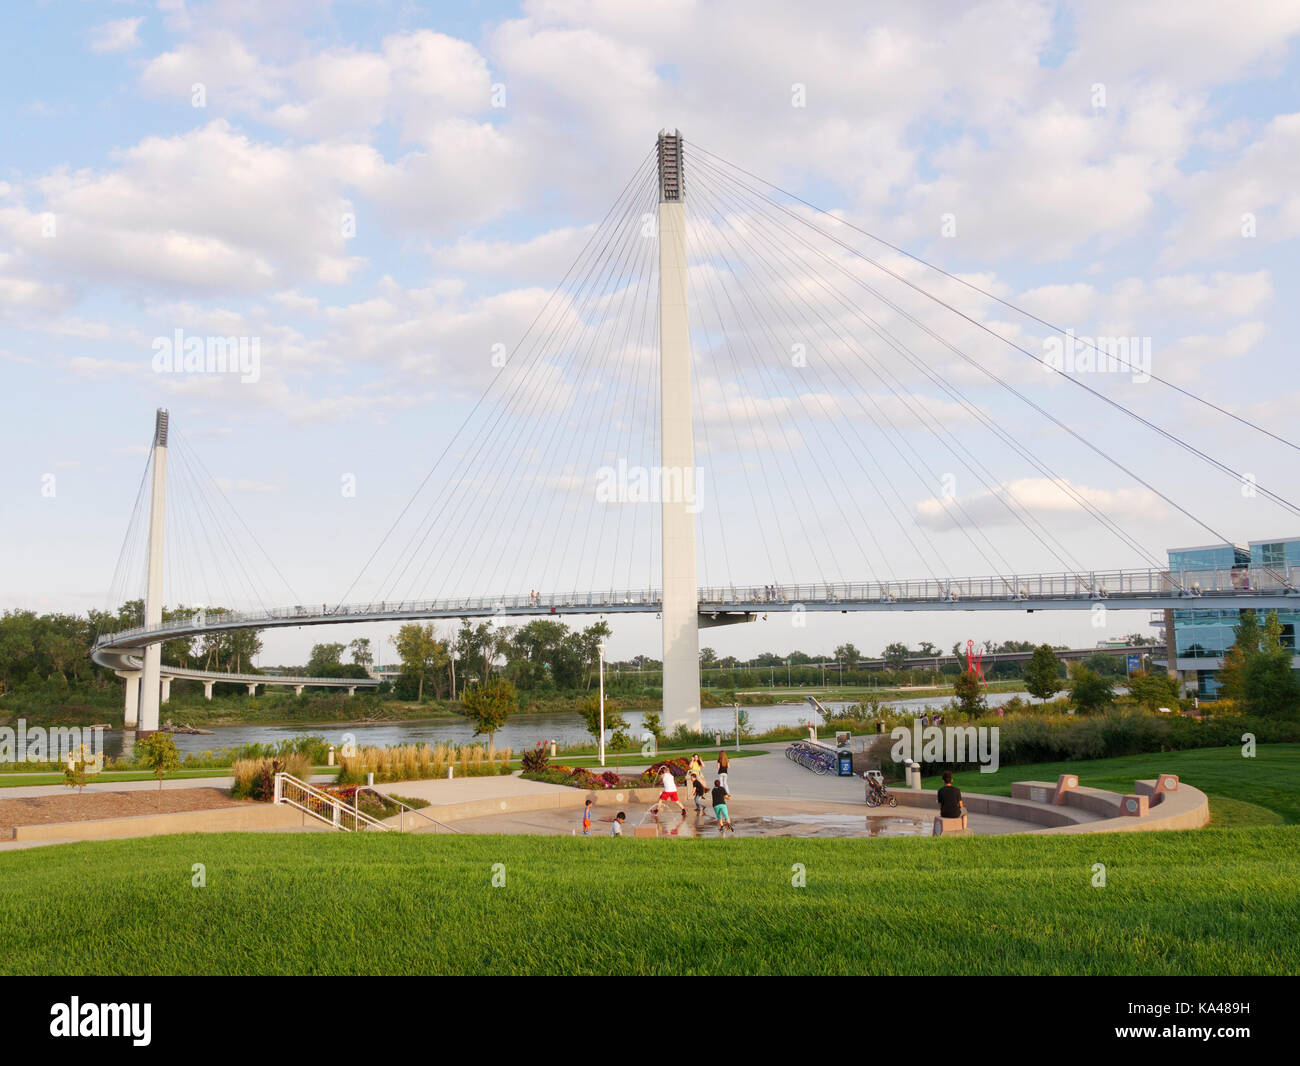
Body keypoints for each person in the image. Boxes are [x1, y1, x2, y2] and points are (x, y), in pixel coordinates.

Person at [935, 770, 964, 836]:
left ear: (943, 781)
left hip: (944, 813)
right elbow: (961, 805)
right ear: (952, 780)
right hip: (955, 814)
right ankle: (963, 828)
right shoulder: (957, 790)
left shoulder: (940, 791)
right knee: (965, 811)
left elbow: (940, 805)